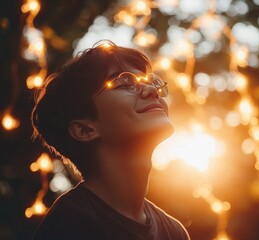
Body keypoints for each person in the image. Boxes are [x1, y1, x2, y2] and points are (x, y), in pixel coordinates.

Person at [31, 40, 190, 240]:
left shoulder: (174, 232)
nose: (152, 91)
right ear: (84, 129)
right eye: (125, 83)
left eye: (151, 82)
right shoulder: (70, 224)